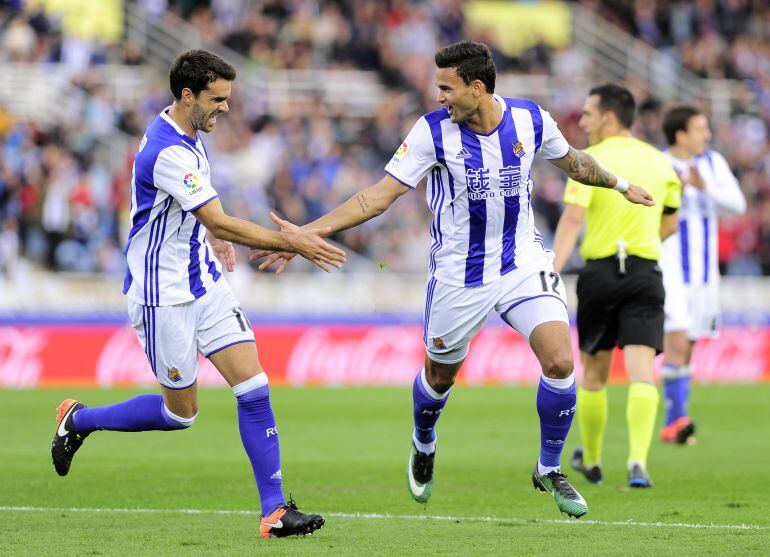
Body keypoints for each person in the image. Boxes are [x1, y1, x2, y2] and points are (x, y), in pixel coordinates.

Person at [253, 41, 654, 518]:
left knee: (561, 361)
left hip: (522, 261)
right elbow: (376, 199)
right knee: (440, 376)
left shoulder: (531, 120)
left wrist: (622, 186)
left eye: (447, 87)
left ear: (477, 87)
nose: (439, 96)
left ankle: (548, 468)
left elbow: (575, 162)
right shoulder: (431, 132)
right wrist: (302, 236)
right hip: (459, 276)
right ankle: (424, 439)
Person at [50, 50, 345, 539]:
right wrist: (290, 239)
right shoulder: (167, 151)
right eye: (218, 99)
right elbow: (212, 212)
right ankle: (80, 419)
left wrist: (217, 235)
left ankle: (273, 511)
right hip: (162, 294)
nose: (226, 108)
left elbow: (204, 205)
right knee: (179, 414)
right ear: (188, 95)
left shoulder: (187, 130)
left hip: (202, 279)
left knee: (254, 387)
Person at [552, 85, 682, 488]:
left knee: (594, 370)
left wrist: (551, 270)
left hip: (601, 273)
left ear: (609, 117)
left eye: (588, 114)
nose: (584, 122)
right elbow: (671, 223)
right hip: (645, 273)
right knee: (643, 369)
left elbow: (573, 220)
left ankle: (591, 461)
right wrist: (643, 248)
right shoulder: (661, 162)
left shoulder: (591, 161)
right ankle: (638, 463)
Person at [658, 106, 746, 444]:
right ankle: (675, 422)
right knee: (677, 341)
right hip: (671, 269)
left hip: (705, 274)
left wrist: (703, 185)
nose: (706, 136)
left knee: (688, 347)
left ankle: (676, 419)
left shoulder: (712, 164)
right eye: (700, 129)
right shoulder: (661, 164)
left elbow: (737, 204)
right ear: (680, 134)